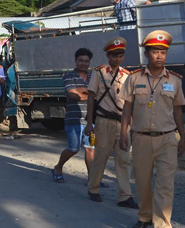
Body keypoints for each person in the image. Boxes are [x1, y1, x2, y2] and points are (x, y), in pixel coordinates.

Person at [120, 31, 185, 228]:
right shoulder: (133, 78)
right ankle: (144, 217)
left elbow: (178, 111)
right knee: (142, 182)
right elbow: (127, 109)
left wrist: (182, 136)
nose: (159, 56)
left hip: (167, 139)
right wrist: (124, 132)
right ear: (146, 54)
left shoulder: (175, 80)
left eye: (163, 52)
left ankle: (162, 224)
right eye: (155, 52)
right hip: (141, 138)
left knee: (165, 184)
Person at [85, 38, 138, 209]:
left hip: (122, 123)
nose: (118, 58)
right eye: (114, 55)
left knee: (124, 160)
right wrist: (89, 122)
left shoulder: (128, 75)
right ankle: (93, 189)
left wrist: (131, 125)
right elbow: (91, 97)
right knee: (101, 157)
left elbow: (130, 102)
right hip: (104, 121)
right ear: (108, 55)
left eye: (120, 55)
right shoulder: (99, 73)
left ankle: (125, 196)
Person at [52, 48, 95, 183]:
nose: (83, 63)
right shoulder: (68, 76)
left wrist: (82, 91)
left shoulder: (93, 77)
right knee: (73, 148)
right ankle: (58, 167)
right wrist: (91, 94)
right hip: (74, 119)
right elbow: (72, 95)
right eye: (81, 60)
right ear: (75, 61)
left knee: (90, 149)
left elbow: (98, 94)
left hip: (90, 120)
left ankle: (92, 179)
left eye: (86, 61)